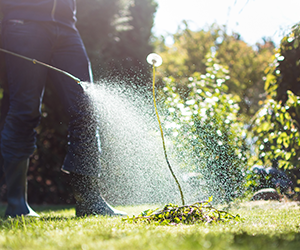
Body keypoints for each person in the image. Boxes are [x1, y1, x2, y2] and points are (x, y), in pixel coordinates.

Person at [0, 0, 126, 217]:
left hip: (66, 26)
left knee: (86, 108)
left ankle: (89, 201)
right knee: (24, 110)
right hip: (23, 22)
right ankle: (16, 204)